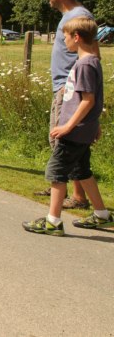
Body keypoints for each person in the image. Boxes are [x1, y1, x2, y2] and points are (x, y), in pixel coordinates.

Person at [22, 17, 111, 236]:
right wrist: (93, 124)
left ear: (77, 37)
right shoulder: (91, 61)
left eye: (65, 38)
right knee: (82, 171)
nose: (64, 42)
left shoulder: (85, 64)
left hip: (74, 132)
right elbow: (95, 98)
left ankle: (53, 221)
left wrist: (67, 127)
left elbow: (88, 100)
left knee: (56, 172)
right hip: (83, 129)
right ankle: (102, 214)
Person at [33, 0, 96, 209]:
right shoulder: (69, 16)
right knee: (60, 141)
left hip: (69, 89)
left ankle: (76, 195)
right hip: (63, 86)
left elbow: (92, 54)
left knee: (63, 140)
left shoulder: (79, 17)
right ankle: (61, 186)